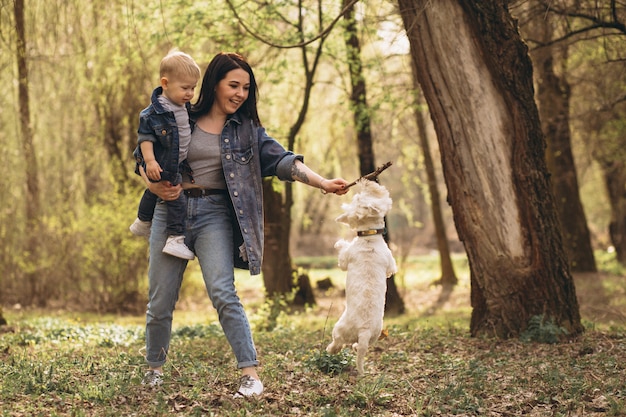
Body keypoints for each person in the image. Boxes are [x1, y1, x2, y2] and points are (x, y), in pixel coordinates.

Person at [138, 52, 349, 397]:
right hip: (171, 210)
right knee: (160, 299)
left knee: (223, 292)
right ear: (215, 84)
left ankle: (250, 374)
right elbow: (144, 151)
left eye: (246, 88)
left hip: (214, 215)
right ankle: (153, 369)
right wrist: (150, 182)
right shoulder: (180, 115)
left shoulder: (248, 131)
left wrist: (323, 183)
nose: (240, 93)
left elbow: (282, 160)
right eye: (233, 85)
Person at [130, 50, 201, 260]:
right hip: (162, 163)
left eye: (193, 88)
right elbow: (145, 139)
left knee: (153, 192)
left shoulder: (184, 107)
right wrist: (150, 161)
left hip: (175, 162)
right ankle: (175, 239)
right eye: (185, 88)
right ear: (165, 83)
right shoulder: (152, 113)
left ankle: (142, 221)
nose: (190, 93)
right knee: (176, 198)